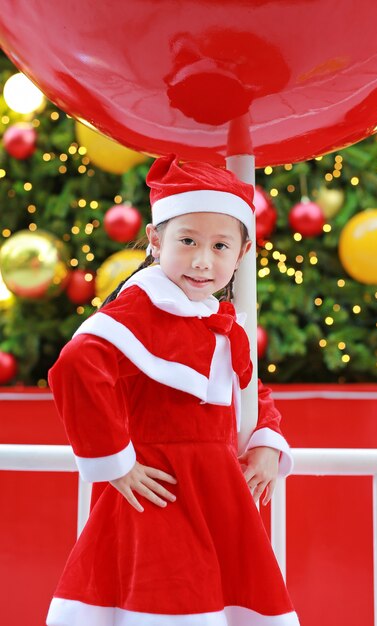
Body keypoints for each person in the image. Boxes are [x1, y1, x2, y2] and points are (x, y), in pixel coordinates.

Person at [46, 153, 300, 626]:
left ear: (243, 254)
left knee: (222, 600)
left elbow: (245, 387)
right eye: (187, 240)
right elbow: (76, 364)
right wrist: (115, 462)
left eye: (221, 246)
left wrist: (265, 440)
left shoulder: (214, 318)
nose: (203, 261)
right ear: (155, 239)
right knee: (169, 601)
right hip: (161, 490)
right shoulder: (142, 306)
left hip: (216, 489)